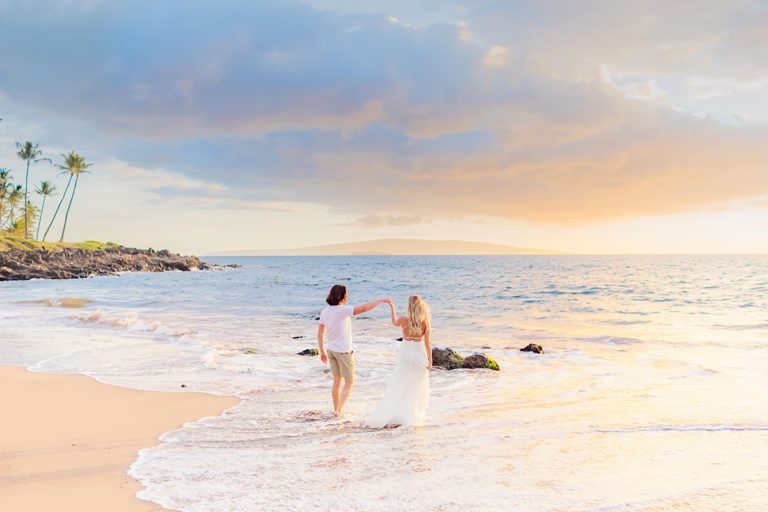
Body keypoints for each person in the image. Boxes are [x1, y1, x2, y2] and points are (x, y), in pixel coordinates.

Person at [317, 284, 388, 417]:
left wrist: (321, 351)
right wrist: (380, 300)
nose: (348, 295)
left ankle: (336, 410)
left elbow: (320, 334)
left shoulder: (325, 311)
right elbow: (364, 308)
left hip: (331, 350)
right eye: (346, 293)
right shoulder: (343, 310)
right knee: (350, 382)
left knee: (337, 381)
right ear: (342, 296)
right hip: (343, 352)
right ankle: (339, 410)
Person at [368, 295, 432, 428]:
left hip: (405, 352)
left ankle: (397, 413)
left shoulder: (403, 319)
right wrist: (430, 361)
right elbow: (427, 343)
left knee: (401, 382)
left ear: (409, 306)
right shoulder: (425, 322)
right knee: (416, 386)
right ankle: (410, 414)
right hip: (418, 354)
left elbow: (394, 322)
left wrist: (392, 307)